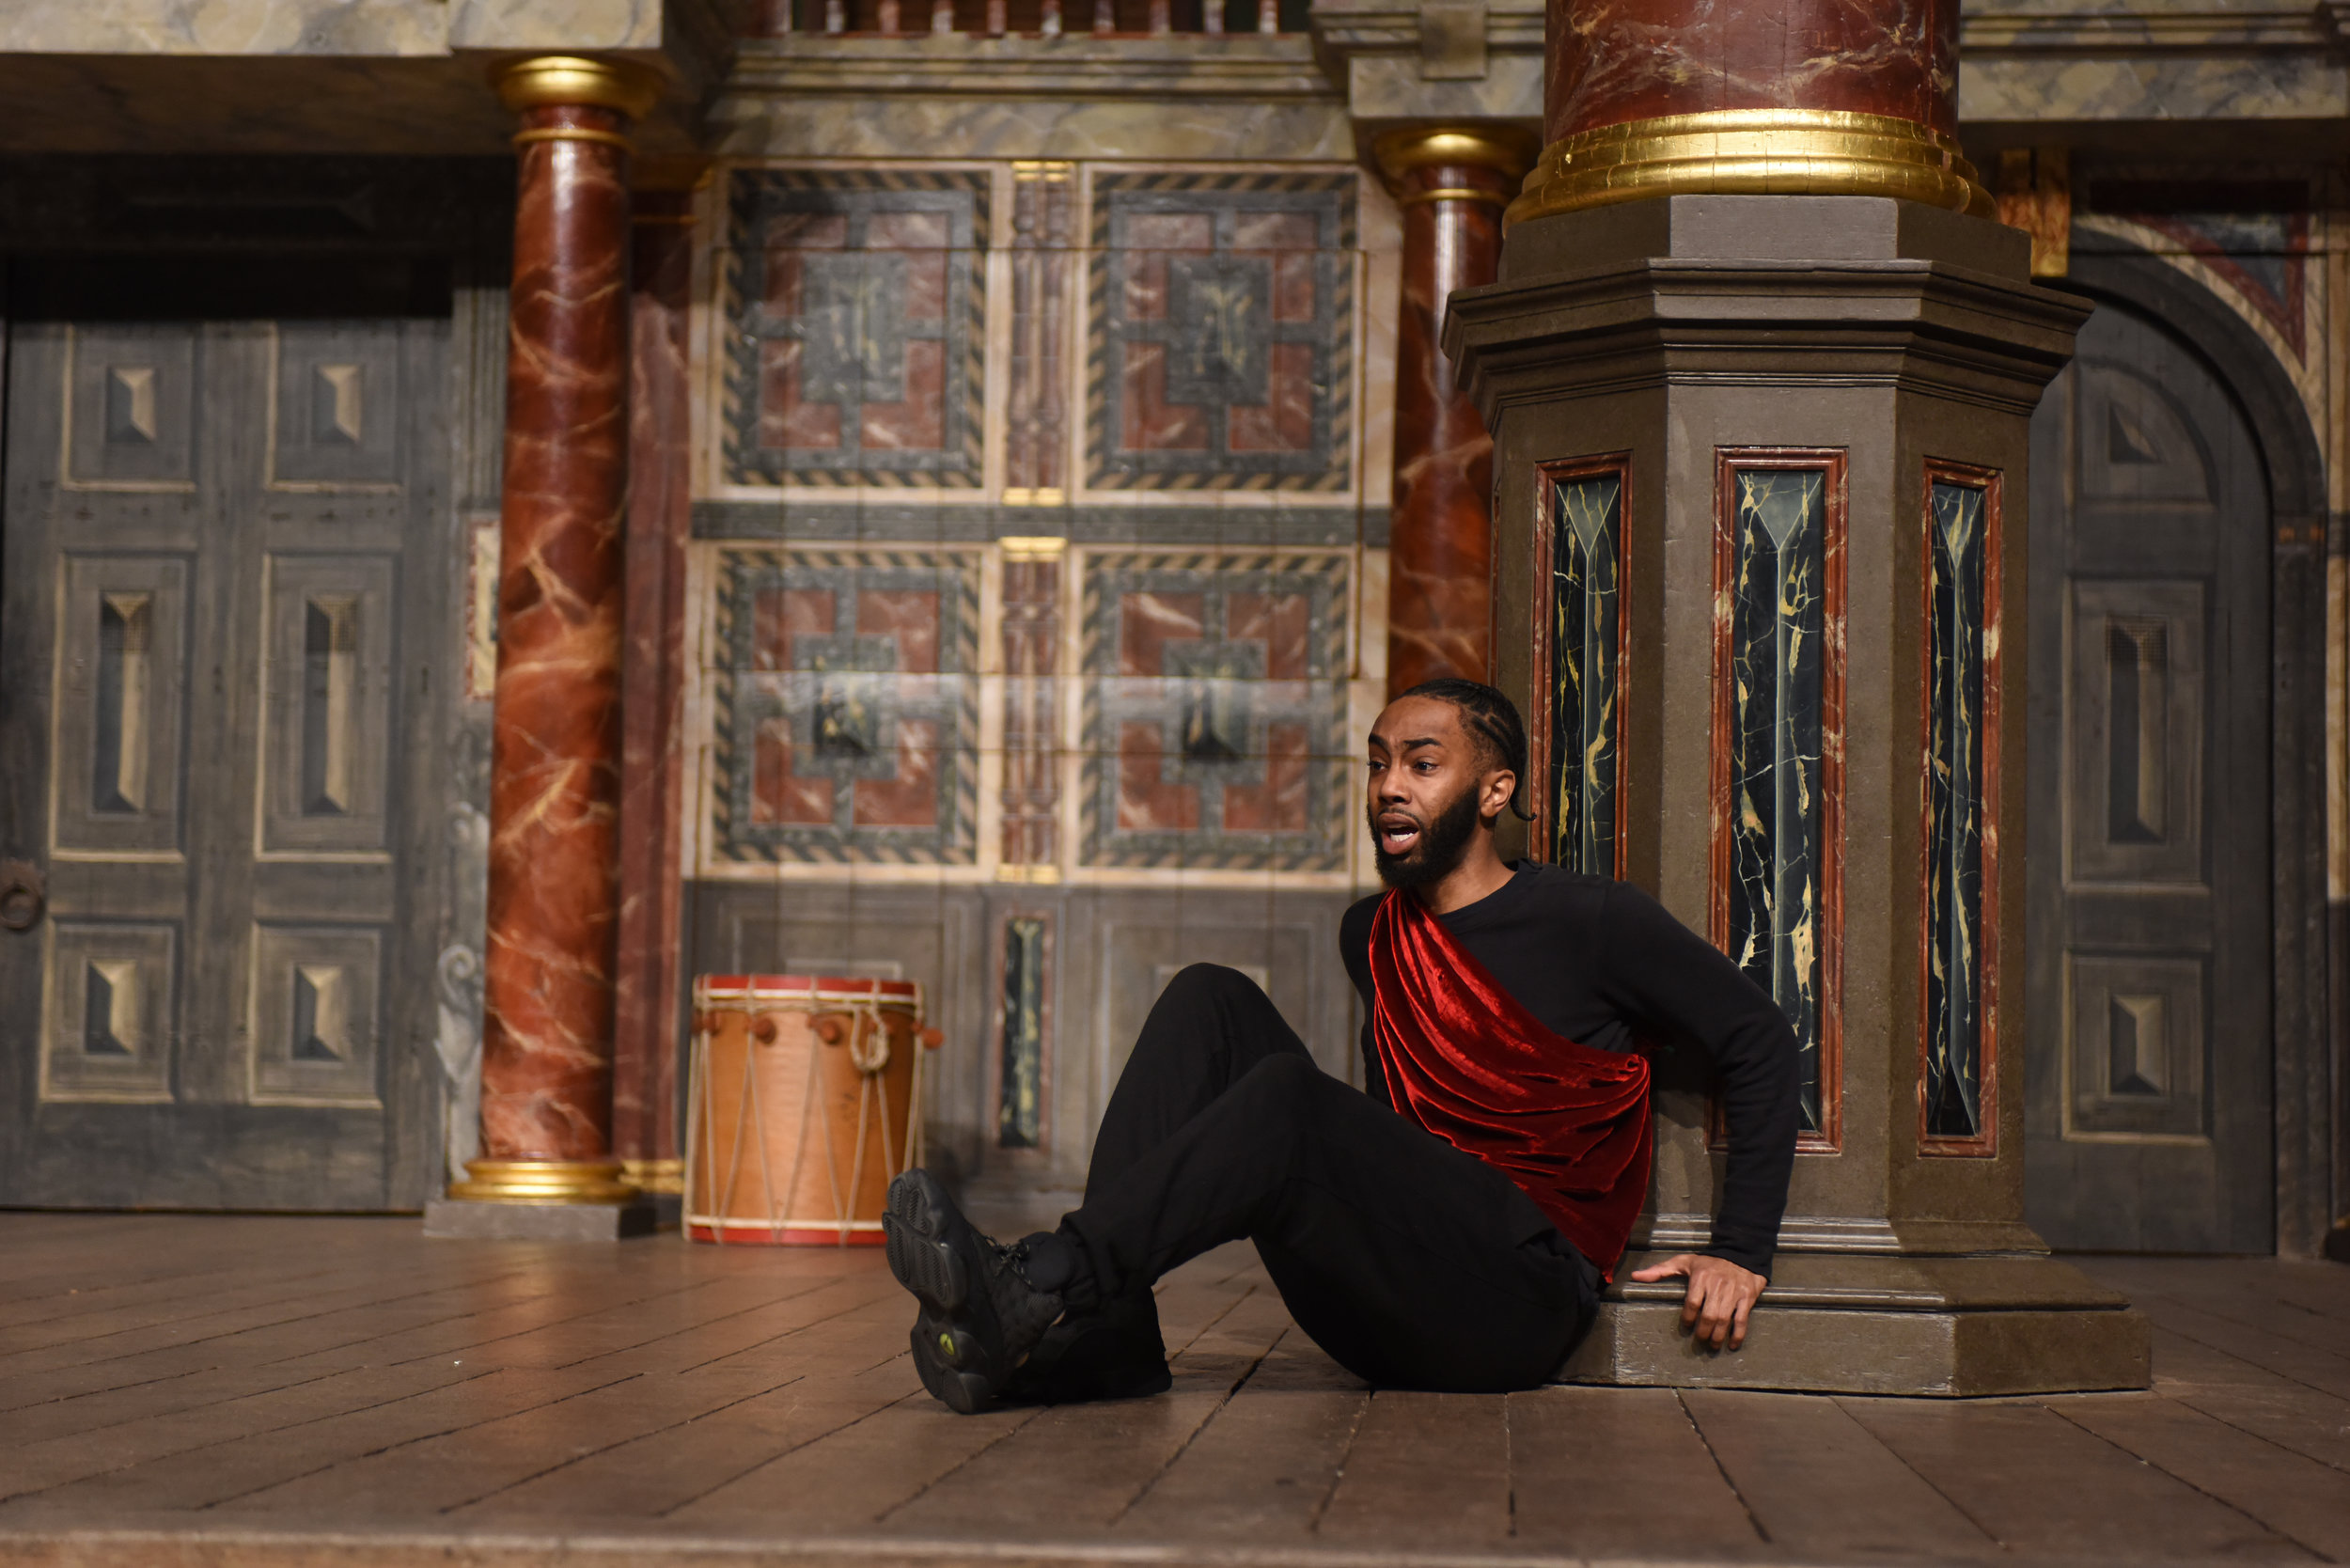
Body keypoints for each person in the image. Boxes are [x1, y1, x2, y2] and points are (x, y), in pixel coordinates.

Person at [884, 678, 1800, 1413]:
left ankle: (1046, 1278)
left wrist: (1742, 1250)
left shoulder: (1592, 921)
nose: (1389, 786)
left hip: (1513, 1306)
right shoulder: (1373, 932)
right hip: (1391, 1284)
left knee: (1289, 1096)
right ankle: (1109, 1336)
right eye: (1377, 764)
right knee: (1210, 998)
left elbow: (1759, 1039)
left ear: (1494, 792)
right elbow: (1397, 1137)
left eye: (1422, 764)